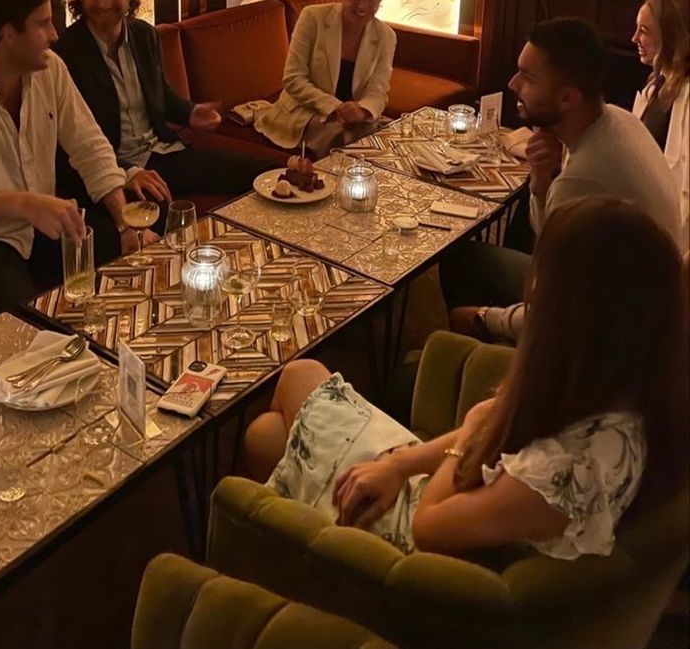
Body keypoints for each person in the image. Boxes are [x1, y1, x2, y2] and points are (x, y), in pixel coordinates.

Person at [243, 198, 688, 558]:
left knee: (298, 373)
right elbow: (494, 431)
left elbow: (429, 527)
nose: (531, 288)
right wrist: (398, 464)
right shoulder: (631, 393)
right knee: (266, 435)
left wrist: (472, 431)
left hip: (411, 549)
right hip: (463, 494)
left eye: (542, 275)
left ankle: (298, 549)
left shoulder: (565, 472)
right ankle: (291, 543)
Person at [441, 17, 680, 342]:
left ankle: (503, 369)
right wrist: (541, 181)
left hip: (611, 337)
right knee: (464, 256)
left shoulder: (585, 178)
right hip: (628, 302)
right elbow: (551, 236)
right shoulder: (615, 118)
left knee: (435, 340)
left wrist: (484, 318)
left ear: (568, 98)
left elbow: (551, 308)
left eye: (527, 77)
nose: (512, 84)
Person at [0, 0, 145, 321]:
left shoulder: (50, 70)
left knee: (137, 263)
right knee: (32, 328)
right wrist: (26, 205)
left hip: (44, 226)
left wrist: (123, 218)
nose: (55, 35)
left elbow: (89, 145)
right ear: (8, 34)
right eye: (43, 24)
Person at [54, 0, 267, 206]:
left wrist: (191, 112)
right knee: (164, 216)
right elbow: (73, 139)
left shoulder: (145, 36)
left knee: (259, 173)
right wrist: (127, 172)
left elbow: (161, 97)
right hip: (116, 170)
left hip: (163, 151)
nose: (104, 3)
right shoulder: (66, 51)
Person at [255, 0, 396, 156]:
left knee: (387, 136)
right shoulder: (313, 18)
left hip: (354, 118)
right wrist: (336, 107)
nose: (363, 6)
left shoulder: (386, 36)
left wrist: (362, 110)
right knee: (346, 139)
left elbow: (378, 91)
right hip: (304, 112)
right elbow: (293, 79)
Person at [631, 0, 689, 244]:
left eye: (644, 30)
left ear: (671, 37)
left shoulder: (687, 95)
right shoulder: (657, 83)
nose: (634, 39)